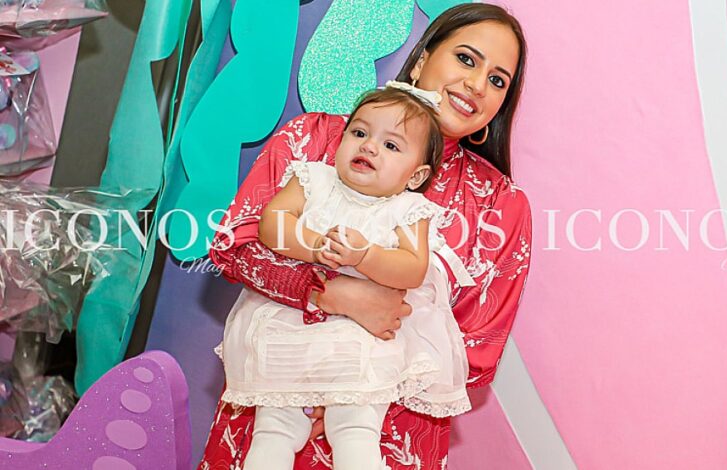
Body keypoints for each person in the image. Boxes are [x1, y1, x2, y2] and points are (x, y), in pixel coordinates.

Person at [201, 4, 532, 469]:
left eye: (498, 80)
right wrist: (331, 296)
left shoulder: (500, 204)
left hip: (390, 429)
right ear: (422, 60)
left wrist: (356, 390)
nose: (478, 84)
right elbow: (235, 248)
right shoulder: (316, 139)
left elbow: (477, 349)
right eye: (466, 59)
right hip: (274, 399)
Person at [219, 85, 473, 470]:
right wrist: (315, 245)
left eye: (391, 145)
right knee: (273, 429)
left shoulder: (407, 209)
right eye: (359, 132)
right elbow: (272, 225)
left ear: (416, 175)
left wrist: (366, 256)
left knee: (355, 430)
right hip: (290, 329)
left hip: (358, 343)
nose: (369, 146)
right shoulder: (314, 179)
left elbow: (413, 268)